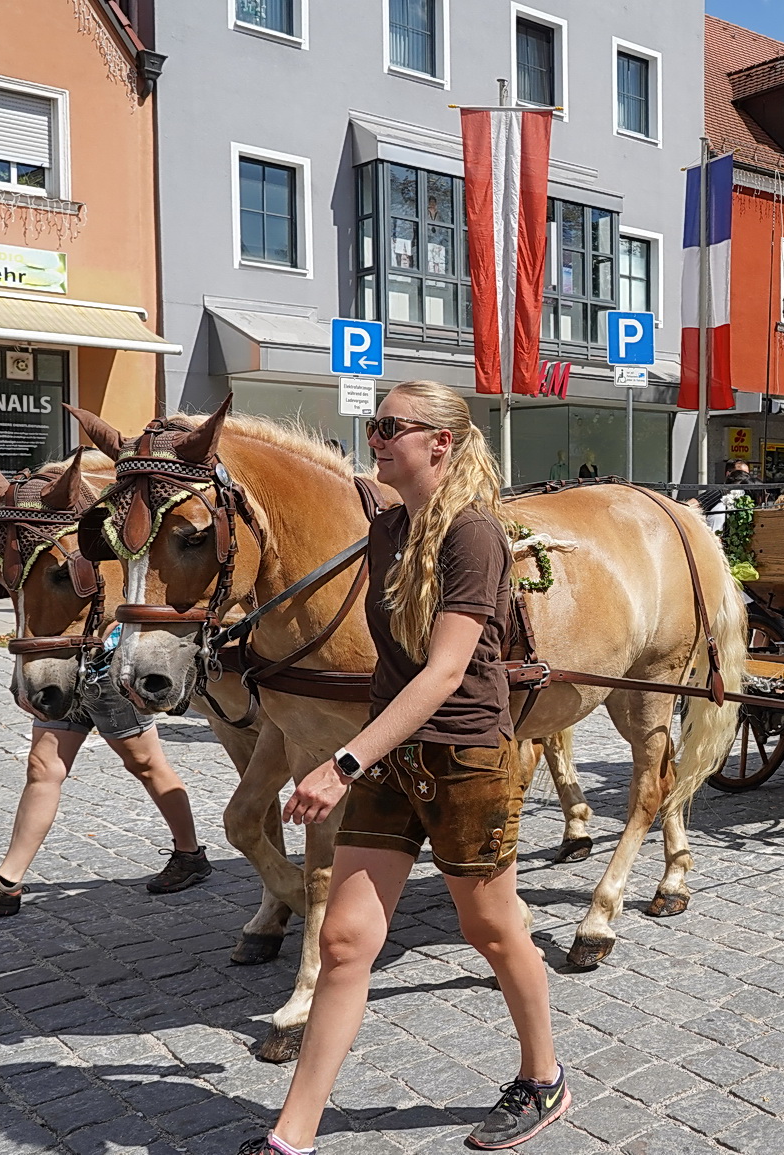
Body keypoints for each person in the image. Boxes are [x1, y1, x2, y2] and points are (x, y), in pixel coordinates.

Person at [240, 381, 565, 1155]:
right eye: (372, 423)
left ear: (439, 443)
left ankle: (543, 1075)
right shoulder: (387, 529)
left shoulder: (473, 534)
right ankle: (294, 1134)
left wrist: (342, 760)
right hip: (392, 764)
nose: (374, 436)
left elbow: (445, 671)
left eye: (391, 426)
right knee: (348, 941)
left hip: (466, 758)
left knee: (489, 925)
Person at [0, 466, 211, 916]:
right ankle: (7, 883)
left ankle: (190, 855)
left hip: (103, 666)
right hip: (62, 668)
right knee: (43, 767)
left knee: (146, 764)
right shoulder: (45, 539)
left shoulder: (105, 531)